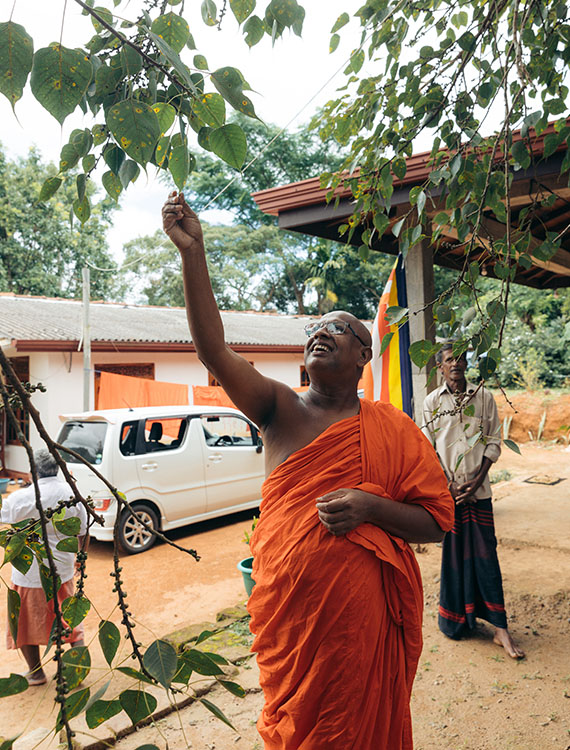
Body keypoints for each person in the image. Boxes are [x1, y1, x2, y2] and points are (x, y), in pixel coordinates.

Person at [162, 191, 454, 750]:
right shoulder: (279, 408)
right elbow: (212, 351)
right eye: (313, 329)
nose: (320, 332)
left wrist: (370, 507)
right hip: (290, 619)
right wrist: (192, 255)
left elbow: (436, 523)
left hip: (360, 621)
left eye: (338, 328)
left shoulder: (392, 428)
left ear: (366, 354)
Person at [421, 343, 524, 659]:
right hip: (449, 495)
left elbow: (493, 441)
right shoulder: (431, 403)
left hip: (478, 493)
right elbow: (427, 448)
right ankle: (457, 621)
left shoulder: (484, 397)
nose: (456, 363)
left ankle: (500, 629)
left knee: (486, 557)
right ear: (440, 366)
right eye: (450, 359)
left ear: (467, 364)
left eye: (461, 359)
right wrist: (447, 484)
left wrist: (477, 480)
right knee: (454, 559)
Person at [2, 449, 89, 685]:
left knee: (25, 623)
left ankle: (36, 672)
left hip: (29, 573)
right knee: (69, 621)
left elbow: (4, 515)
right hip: (62, 570)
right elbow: (83, 530)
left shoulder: (21, 499)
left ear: (33, 470)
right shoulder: (72, 494)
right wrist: (80, 557)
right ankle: (73, 675)